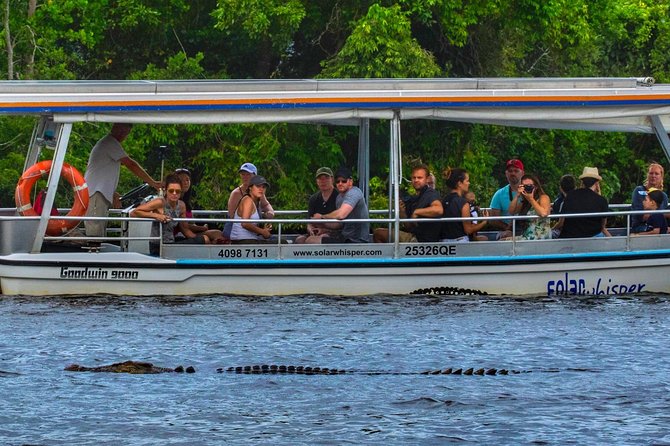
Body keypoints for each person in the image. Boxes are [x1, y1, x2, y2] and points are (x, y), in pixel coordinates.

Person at [84, 123, 161, 239]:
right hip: (95, 193)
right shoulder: (109, 142)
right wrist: (153, 183)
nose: (123, 135)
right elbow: (131, 164)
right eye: (122, 131)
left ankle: (97, 248)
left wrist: (113, 193)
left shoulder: (109, 144)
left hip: (99, 192)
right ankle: (93, 251)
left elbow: (101, 172)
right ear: (114, 128)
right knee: (94, 229)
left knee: (99, 227)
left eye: (126, 133)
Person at [130, 174, 210, 255]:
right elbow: (134, 212)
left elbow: (185, 230)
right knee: (205, 239)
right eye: (171, 191)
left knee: (205, 239)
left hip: (171, 243)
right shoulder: (160, 202)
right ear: (166, 190)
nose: (174, 194)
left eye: (178, 191)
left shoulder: (181, 205)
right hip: (159, 246)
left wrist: (200, 239)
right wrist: (157, 216)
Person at [373, 165, 442, 243]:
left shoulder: (430, 193)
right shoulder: (414, 199)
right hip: (414, 236)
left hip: (423, 241)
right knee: (380, 232)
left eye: (419, 178)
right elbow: (409, 226)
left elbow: (438, 209)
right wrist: (402, 212)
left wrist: (417, 212)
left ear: (427, 179)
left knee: (378, 233)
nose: (416, 180)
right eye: (414, 178)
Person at [304, 167, 369, 243]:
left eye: (344, 181)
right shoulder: (339, 198)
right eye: (338, 181)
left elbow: (341, 214)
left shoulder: (355, 192)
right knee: (303, 240)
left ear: (350, 182)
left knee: (311, 241)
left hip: (356, 240)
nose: (340, 183)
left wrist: (322, 217)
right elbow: (338, 224)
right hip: (344, 237)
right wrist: (322, 226)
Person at [224, 162, 275, 238]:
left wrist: (270, 213)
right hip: (237, 233)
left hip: (253, 232)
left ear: (255, 176)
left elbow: (266, 205)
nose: (245, 177)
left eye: (248, 174)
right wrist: (261, 231)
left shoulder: (259, 192)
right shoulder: (236, 194)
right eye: (243, 174)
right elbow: (233, 217)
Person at [558, 167, 611, 238]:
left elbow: (563, 220)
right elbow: (603, 225)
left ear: (582, 182)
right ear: (597, 183)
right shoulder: (601, 200)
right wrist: (598, 193)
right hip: (591, 237)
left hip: (569, 236)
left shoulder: (570, 196)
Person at [173, 168, 223, 242]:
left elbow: (190, 223)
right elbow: (182, 226)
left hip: (188, 232)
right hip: (180, 234)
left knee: (217, 234)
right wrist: (202, 228)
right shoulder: (174, 201)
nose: (185, 183)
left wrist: (200, 228)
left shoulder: (185, 202)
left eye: (187, 180)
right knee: (211, 236)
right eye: (181, 180)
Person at [440, 168, 489, 243]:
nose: (469, 183)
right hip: (460, 242)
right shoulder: (463, 203)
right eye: (467, 180)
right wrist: (484, 222)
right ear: (459, 183)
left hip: (444, 243)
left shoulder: (443, 200)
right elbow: (468, 230)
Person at [294, 167, 338, 244]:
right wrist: (310, 229)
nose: (323, 181)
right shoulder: (313, 199)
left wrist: (324, 227)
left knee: (312, 240)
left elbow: (341, 224)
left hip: (334, 234)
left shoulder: (339, 197)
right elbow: (309, 221)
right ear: (317, 181)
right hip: (317, 232)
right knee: (299, 240)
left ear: (332, 179)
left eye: (326, 178)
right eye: (320, 178)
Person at [229, 175, 275, 244]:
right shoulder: (248, 200)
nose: (261, 189)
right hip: (242, 241)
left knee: (278, 240)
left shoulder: (256, 201)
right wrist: (262, 231)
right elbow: (245, 224)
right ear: (250, 187)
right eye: (258, 186)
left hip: (250, 240)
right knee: (282, 242)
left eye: (263, 187)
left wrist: (264, 229)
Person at [507, 174, 552, 240]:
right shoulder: (525, 201)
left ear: (536, 186)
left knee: (504, 242)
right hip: (527, 235)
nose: (527, 188)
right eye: (524, 186)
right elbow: (511, 211)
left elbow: (544, 213)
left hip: (540, 236)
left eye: (530, 186)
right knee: (502, 239)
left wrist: (531, 199)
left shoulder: (543, 197)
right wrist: (517, 195)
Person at [488, 158, 525, 238]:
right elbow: (493, 220)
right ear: (506, 173)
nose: (513, 173)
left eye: (516, 171)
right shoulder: (499, 194)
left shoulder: (530, 191)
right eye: (510, 171)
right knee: (506, 235)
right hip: (506, 232)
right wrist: (507, 227)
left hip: (526, 230)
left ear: (522, 173)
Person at [631, 163, 668, 232]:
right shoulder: (639, 191)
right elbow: (639, 215)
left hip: (658, 227)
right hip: (641, 226)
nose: (653, 176)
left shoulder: (664, 196)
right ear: (647, 175)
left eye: (656, 174)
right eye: (651, 173)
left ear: (661, 177)